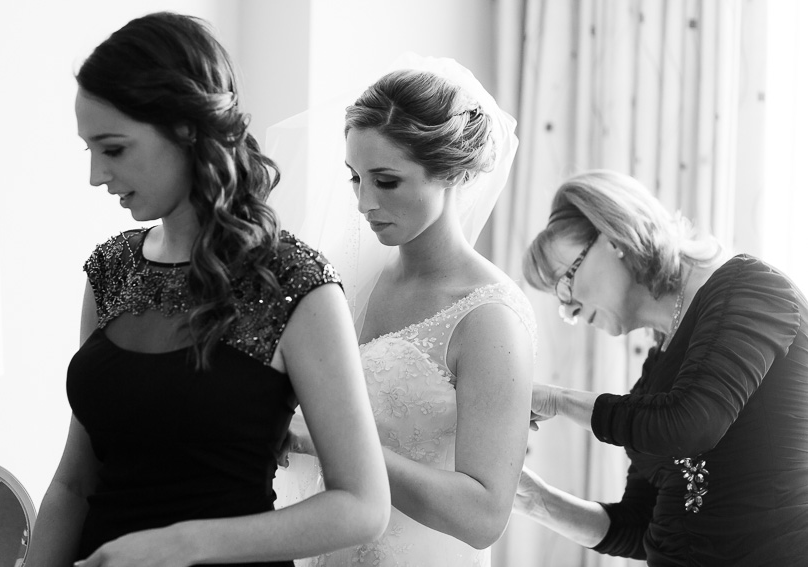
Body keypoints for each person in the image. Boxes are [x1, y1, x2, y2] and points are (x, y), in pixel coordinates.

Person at [26, 12, 390, 567]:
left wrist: (182, 543)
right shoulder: (112, 268)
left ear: (187, 129)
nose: (96, 176)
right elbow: (75, 482)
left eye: (115, 148)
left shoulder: (297, 284)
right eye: (89, 151)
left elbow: (362, 505)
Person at [271, 60, 537, 566]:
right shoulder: (349, 283)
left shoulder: (489, 318)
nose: (364, 202)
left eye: (386, 181)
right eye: (355, 178)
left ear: (453, 172)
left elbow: (483, 518)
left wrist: (333, 442)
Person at [517, 169, 808, 566]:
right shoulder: (655, 374)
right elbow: (638, 527)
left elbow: (691, 424)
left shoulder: (751, 289)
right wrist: (536, 501)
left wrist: (557, 399)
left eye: (565, 281)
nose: (567, 307)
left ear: (613, 237)